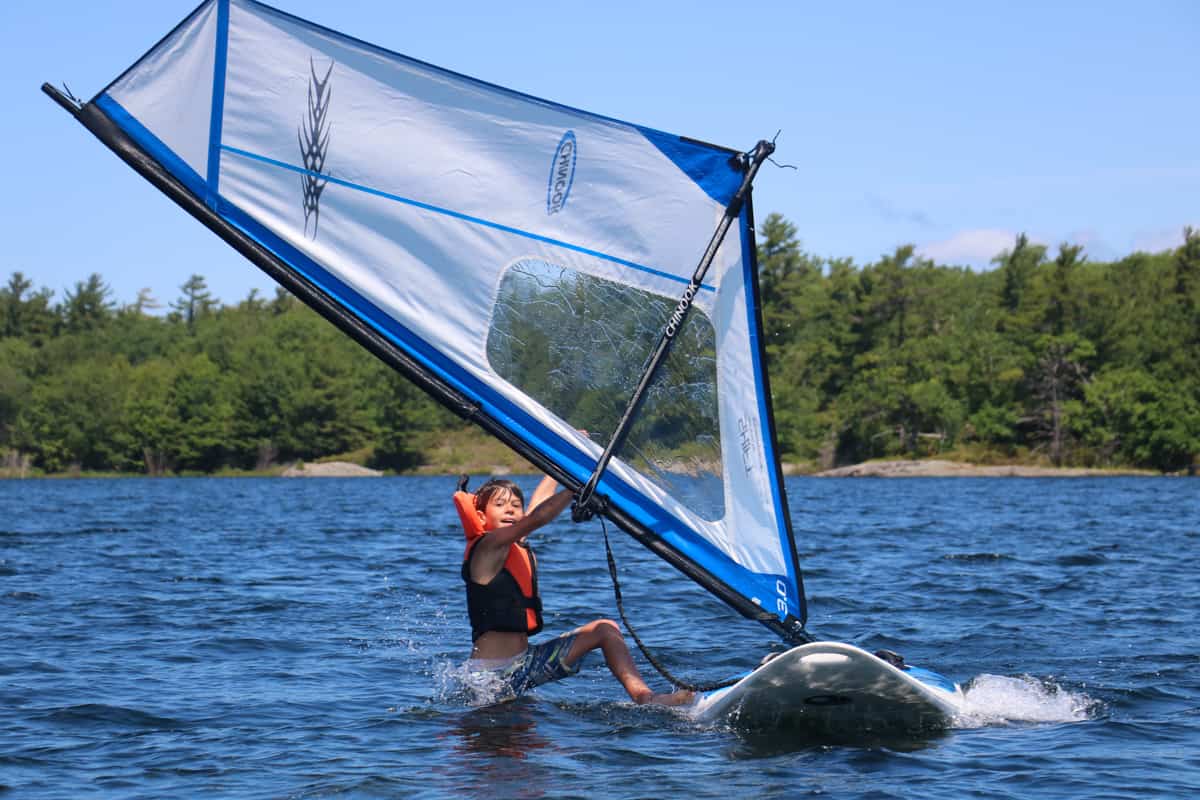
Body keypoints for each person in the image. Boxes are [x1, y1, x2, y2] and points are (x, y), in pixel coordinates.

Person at [457, 473, 693, 706]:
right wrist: (574, 489)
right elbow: (537, 518)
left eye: (516, 505)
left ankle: (645, 697)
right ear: (481, 516)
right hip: (490, 679)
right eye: (500, 505)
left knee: (605, 629)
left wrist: (558, 470)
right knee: (512, 741)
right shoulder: (487, 548)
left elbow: (537, 506)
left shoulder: (515, 543)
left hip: (527, 663)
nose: (510, 510)